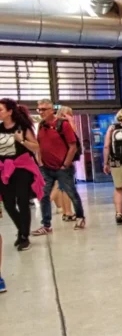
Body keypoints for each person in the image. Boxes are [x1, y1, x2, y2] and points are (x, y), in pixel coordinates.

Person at [33, 99, 86, 234]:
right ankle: (46, 225)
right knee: (44, 195)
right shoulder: (41, 125)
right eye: (39, 109)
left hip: (62, 167)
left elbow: (73, 146)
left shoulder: (63, 125)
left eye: (44, 109)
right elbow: (40, 145)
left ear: (52, 110)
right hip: (46, 168)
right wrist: (40, 162)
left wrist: (65, 164)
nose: (41, 112)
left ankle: (80, 217)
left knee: (71, 192)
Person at [0, 99, 43, 251]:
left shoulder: (22, 128)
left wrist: (22, 140)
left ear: (10, 111)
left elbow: (36, 147)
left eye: (1, 110)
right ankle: (22, 229)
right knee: (8, 204)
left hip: (22, 168)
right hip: (5, 170)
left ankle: (24, 236)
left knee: (23, 201)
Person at [51, 106, 76, 222]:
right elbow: (74, 138)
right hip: (65, 159)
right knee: (65, 186)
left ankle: (65, 211)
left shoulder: (52, 125)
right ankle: (67, 211)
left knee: (60, 186)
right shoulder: (65, 124)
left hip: (54, 159)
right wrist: (70, 121)